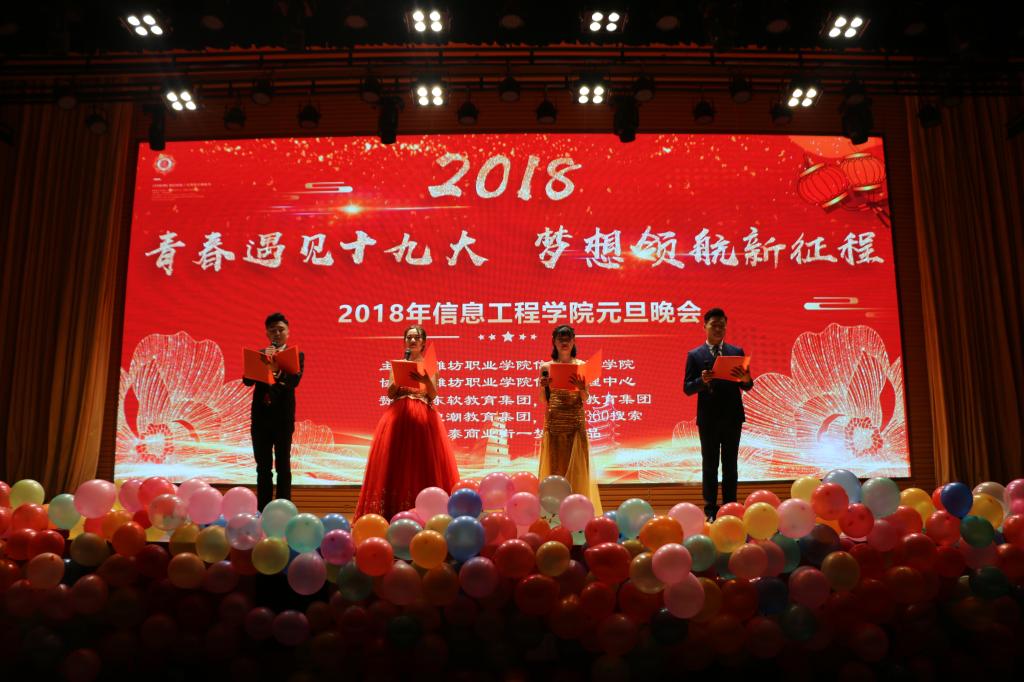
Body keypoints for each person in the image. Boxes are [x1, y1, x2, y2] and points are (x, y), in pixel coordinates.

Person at [356, 325, 460, 519]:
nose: (412, 341)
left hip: (423, 421)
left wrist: (426, 380)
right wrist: (399, 378)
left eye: (416, 338)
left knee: (422, 463)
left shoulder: (430, 365)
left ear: (423, 343)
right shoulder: (398, 364)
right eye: (409, 337)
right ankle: (393, 511)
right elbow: (390, 393)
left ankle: (428, 509)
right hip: (398, 419)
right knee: (395, 463)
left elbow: (433, 395)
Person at [684, 308, 754, 521]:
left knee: (730, 465)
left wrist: (745, 379)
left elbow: (747, 385)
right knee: (710, 465)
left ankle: (730, 508)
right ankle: (711, 510)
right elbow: (687, 388)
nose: (718, 329)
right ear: (704, 326)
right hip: (708, 419)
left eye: (722, 325)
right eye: (714, 325)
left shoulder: (736, 351)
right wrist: (701, 381)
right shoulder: (695, 355)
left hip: (732, 417)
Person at [242, 312, 304, 511]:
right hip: (260, 419)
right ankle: (263, 509)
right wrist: (261, 363)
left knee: (283, 466)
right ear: (267, 334)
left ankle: (284, 509)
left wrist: (275, 369)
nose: (277, 333)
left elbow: (293, 382)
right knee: (263, 468)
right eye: (272, 330)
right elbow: (247, 381)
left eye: (280, 330)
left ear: (288, 332)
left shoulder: (296, 356)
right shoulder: (260, 355)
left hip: (283, 419)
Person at [537, 325, 602, 513]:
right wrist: (543, 386)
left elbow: (585, 398)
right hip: (554, 421)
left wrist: (581, 388)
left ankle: (578, 510)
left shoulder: (582, 365)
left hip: (575, 421)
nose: (564, 343)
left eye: (568, 339)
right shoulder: (546, 367)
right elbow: (544, 400)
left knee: (578, 469)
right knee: (555, 467)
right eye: (560, 339)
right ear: (554, 342)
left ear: (573, 341)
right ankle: (554, 512)